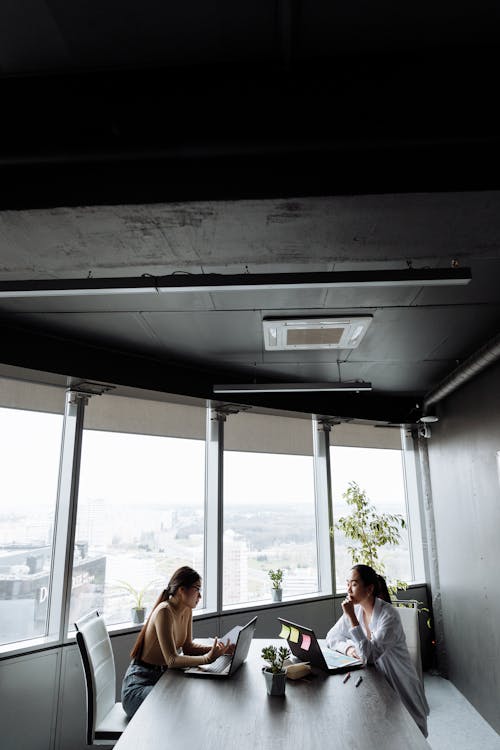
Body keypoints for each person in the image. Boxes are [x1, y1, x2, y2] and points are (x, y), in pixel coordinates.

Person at [326, 564, 430, 737]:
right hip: (375, 678)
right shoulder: (357, 610)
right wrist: (350, 648)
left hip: (398, 682)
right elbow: (331, 637)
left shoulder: (388, 616)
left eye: (354, 584)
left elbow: (368, 656)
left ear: (369, 588)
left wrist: (352, 618)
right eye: (347, 584)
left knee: (409, 736)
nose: (348, 589)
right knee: (380, 733)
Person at [121, 566, 228, 719]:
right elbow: (172, 660)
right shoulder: (165, 611)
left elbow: (188, 647)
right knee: (180, 704)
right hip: (139, 686)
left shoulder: (187, 609)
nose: (200, 596)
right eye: (197, 589)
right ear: (181, 590)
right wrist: (208, 658)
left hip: (163, 678)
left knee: (192, 698)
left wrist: (218, 649)